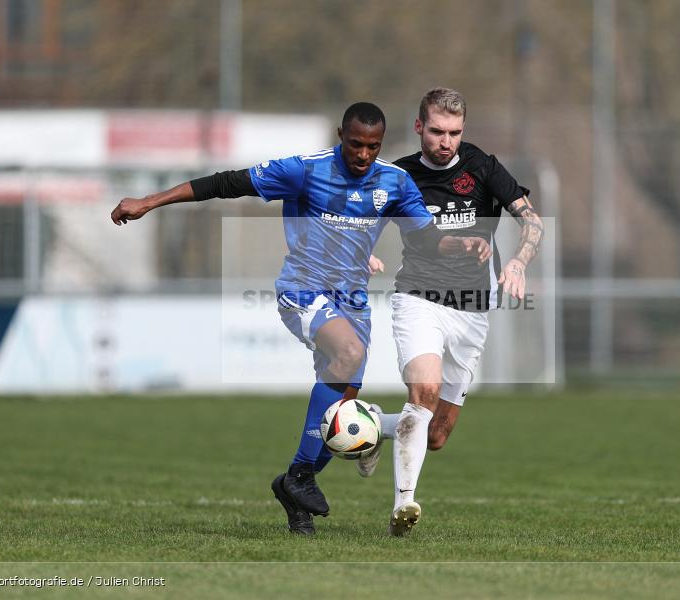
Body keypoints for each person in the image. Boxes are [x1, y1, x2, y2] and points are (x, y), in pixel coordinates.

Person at [109, 102, 491, 536]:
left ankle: (294, 488)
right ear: (339, 135)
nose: (363, 155)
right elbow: (225, 183)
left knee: (339, 418)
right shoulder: (305, 171)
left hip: (353, 304)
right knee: (348, 353)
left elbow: (425, 238)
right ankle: (302, 479)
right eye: (355, 144)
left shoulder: (395, 181)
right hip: (302, 291)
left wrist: (457, 245)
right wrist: (149, 201)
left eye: (373, 146)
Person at [362, 88, 543, 536]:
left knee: (436, 434)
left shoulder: (482, 166)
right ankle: (404, 504)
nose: (447, 142)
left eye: (455, 133)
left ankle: (368, 426)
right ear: (420, 126)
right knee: (424, 389)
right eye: (438, 131)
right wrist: (361, 252)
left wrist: (518, 262)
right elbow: (365, 222)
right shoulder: (399, 176)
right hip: (417, 296)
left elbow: (532, 221)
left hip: (472, 308)